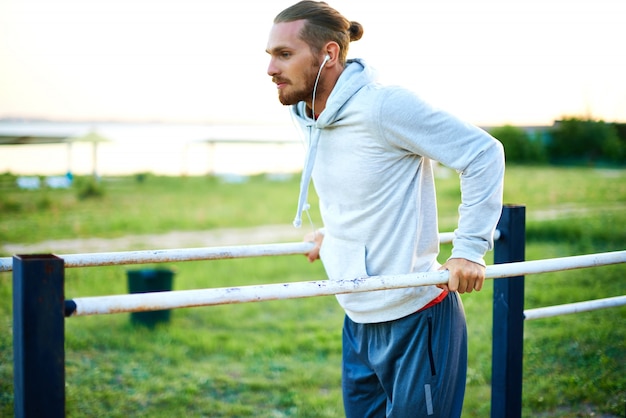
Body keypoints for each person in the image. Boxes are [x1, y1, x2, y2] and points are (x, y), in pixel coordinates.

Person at [265, 2, 505, 417]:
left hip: (416, 314)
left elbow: (483, 153)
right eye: (270, 55)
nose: (270, 68)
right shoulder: (304, 113)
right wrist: (333, 235)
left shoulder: (384, 106)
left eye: (284, 55)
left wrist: (468, 249)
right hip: (357, 312)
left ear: (329, 55)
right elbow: (357, 185)